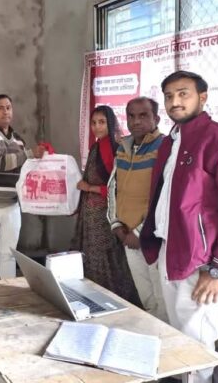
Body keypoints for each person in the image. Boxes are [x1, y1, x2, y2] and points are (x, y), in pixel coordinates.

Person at [140, 71, 218, 383]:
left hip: (201, 263)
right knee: (178, 337)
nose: (174, 102)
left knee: (197, 343)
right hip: (170, 251)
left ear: (202, 98)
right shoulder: (171, 142)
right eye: (169, 96)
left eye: (183, 94)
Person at [0, 94, 45, 284]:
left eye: (9, 107)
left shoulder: (18, 140)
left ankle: (8, 291)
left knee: (9, 255)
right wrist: (30, 154)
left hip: (11, 206)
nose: (6, 112)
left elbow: (25, 169)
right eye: (0, 108)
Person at [70, 105, 139, 304]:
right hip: (92, 213)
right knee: (92, 255)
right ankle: (95, 297)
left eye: (101, 122)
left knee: (105, 258)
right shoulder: (98, 146)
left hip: (105, 215)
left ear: (110, 123)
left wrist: (89, 188)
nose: (97, 127)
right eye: (93, 123)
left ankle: (110, 299)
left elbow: (117, 187)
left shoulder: (113, 148)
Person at [107, 97, 167, 321]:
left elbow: (164, 197)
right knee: (147, 299)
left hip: (154, 238)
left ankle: (166, 340)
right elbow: (113, 187)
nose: (136, 121)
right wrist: (116, 224)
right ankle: (154, 336)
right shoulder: (123, 147)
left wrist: (140, 232)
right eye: (131, 116)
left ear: (156, 119)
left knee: (163, 300)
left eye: (143, 115)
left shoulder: (164, 148)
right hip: (127, 235)